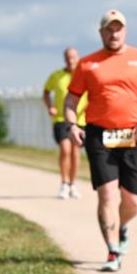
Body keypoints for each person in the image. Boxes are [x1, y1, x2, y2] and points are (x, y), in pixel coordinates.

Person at [64, 10, 137, 272]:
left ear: (125, 31)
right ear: (101, 33)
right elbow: (71, 100)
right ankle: (112, 251)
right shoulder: (87, 64)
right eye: (109, 30)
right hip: (99, 134)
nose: (114, 34)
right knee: (108, 193)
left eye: (118, 29)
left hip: (134, 134)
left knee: (133, 201)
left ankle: (121, 226)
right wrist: (72, 125)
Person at [43, 47, 88, 199]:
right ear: (64, 58)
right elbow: (46, 91)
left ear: (78, 57)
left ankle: (73, 184)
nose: (71, 60)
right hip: (61, 119)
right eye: (68, 57)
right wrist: (50, 106)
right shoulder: (56, 75)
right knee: (65, 149)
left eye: (73, 57)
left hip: (80, 119)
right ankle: (64, 183)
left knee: (75, 151)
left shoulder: (84, 75)